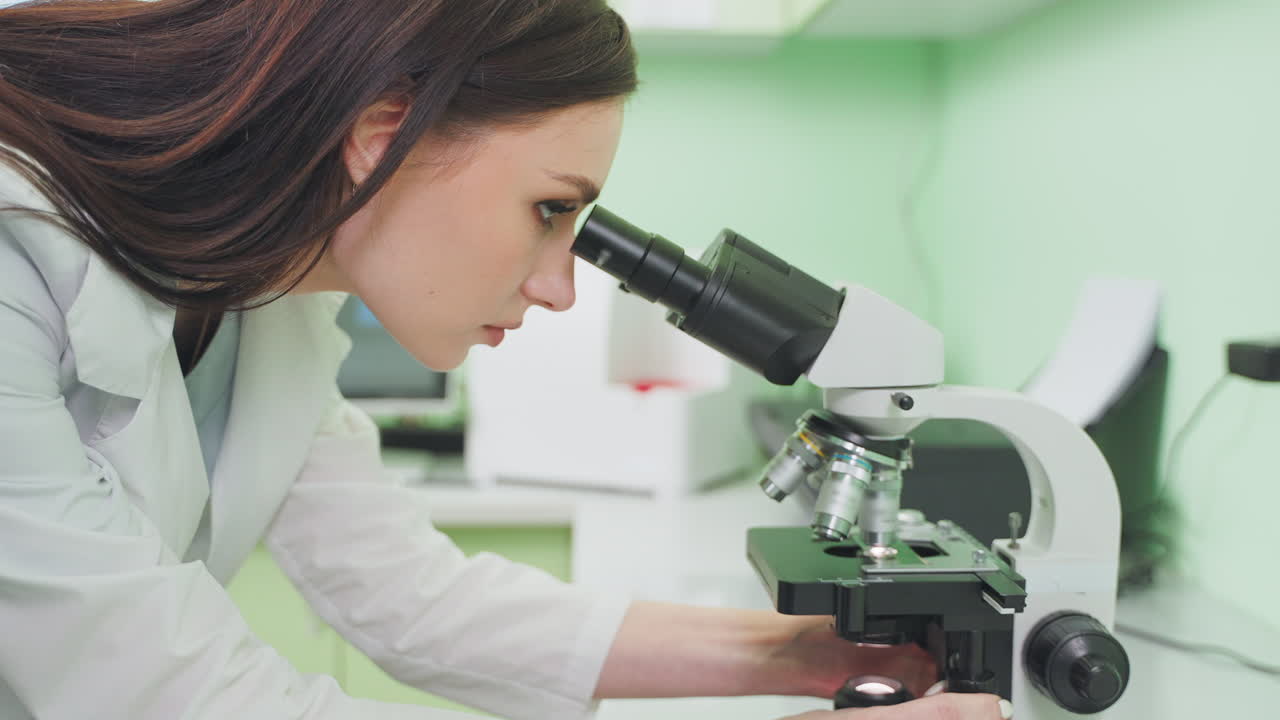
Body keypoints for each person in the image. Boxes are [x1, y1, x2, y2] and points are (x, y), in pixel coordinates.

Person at [0, 2, 1012, 719]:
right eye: (547, 211)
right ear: (382, 133)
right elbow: (174, 699)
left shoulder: (265, 305)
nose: (559, 286)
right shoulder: (13, 263)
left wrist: (798, 654)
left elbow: (411, 597)